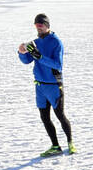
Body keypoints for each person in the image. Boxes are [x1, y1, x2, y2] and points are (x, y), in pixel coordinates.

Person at [18, 13, 76, 157]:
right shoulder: (35, 42)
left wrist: (40, 57)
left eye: (41, 26)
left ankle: (71, 143)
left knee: (60, 115)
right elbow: (27, 61)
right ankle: (55, 146)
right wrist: (21, 53)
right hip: (40, 87)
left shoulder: (56, 42)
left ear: (47, 26)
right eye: (37, 26)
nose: (39, 29)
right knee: (44, 118)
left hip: (53, 86)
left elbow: (58, 65)